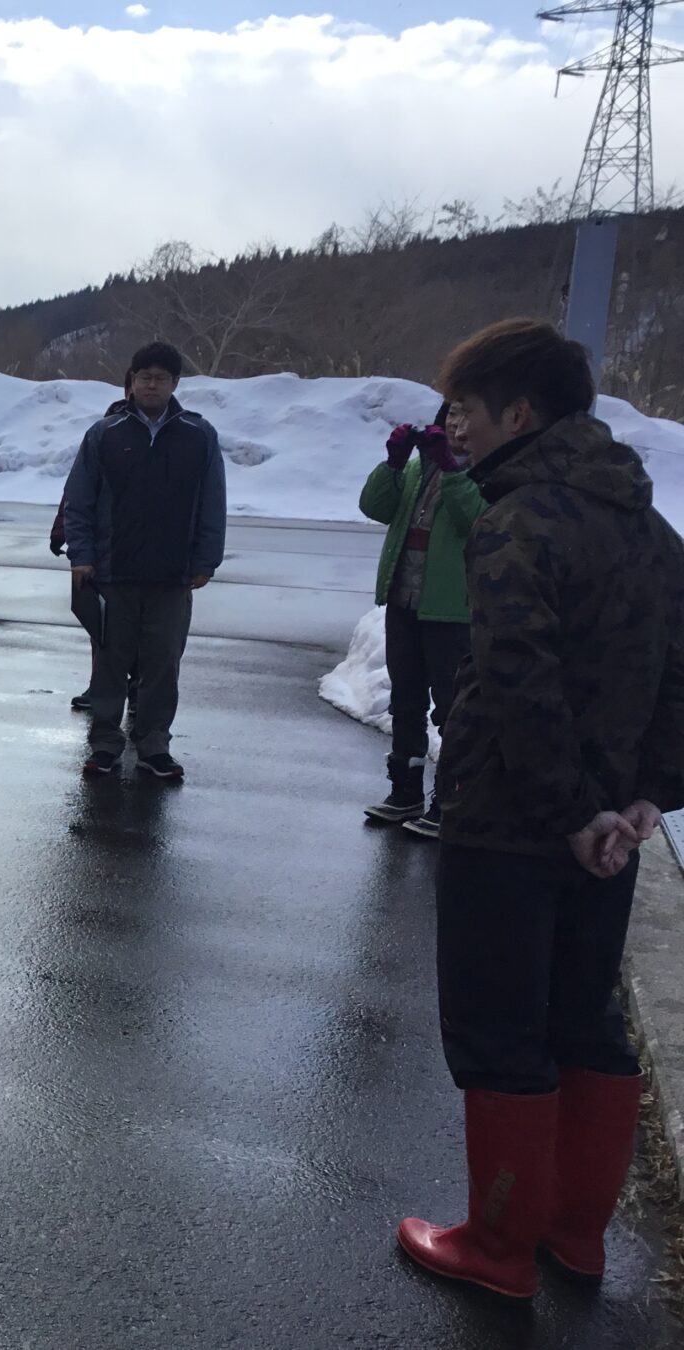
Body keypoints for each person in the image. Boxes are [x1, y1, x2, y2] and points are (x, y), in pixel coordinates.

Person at [396, 318, 684, 1301]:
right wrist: (642, 800)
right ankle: (576, 1236)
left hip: (511, 824)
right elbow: (678, 679)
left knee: (500, 1032)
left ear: (519, 413)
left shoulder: (519, 522)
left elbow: (518, 680)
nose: (455, 431)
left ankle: (498, 1245)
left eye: (465, 411)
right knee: (586, 1023)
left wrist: (567, 810)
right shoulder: (651, 529)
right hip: (606, 833)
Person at [64, 341, 226, 782]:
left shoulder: (199, 435)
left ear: (175, 384)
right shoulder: (105, 434)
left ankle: (154, 744)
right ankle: (104, 743)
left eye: (161, 377)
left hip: (173, 576)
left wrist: (206, 559)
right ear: (131, 381)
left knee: (162, 664)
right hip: (113, 571)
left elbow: (213, 503)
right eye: (144, 376)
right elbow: (78, 501)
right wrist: (82, 556)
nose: (151, 384)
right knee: (109, 661)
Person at [358, 402, 482, 838]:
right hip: (404, 601)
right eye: (451, 414)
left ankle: (451, 800)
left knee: (453, 708)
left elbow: (477, 521)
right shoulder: (420, 467)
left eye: (467, 415)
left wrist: (452, 470)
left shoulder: (488, 470)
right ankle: (404, 790)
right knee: (406, 701)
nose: (456, 423)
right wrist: (394, 463)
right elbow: (375, 507)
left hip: (452, 608)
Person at [55, 380, 137, 716]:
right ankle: (102, 691)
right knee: (103, 632)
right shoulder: (105, 431)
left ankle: (137, 686)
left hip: (148, 558)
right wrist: (65, 535)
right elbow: (78, 493)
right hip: (104, 556)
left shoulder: (175, 433)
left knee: (146, 637)